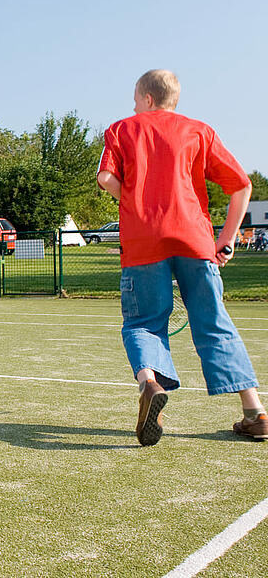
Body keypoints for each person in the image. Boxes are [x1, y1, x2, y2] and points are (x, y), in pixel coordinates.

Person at [97, 69, 264, 445]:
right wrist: (226, 239)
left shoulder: (122, 129)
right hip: (195, 240)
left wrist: (133, 203)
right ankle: (254, 410)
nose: (133, 106)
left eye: (135, 99)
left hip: (143, 244)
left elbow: (106, 178)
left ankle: (150, 384)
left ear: (148, 98)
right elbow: (241, 185)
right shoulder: (199, 130)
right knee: (214, 322)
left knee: (143, 322)